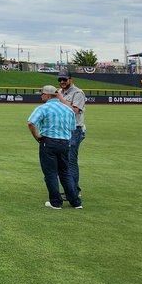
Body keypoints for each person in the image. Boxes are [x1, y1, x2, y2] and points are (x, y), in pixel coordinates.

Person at [27, 85, 82, 210]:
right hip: (65, 143)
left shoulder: (43, 108)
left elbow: (31, 123)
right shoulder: (68, 110)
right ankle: (76, 202)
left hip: (48, 142)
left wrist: (36, 136)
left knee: (51, 173)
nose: (41, 96)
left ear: (47, 95)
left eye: (42, 94)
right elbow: (73, 128)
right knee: (65, 173)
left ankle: (56, 202)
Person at [57, 69, 86, 197]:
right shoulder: (61, 92)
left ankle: (74, 192)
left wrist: (60, 98)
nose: (62, 82)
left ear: (70, 79)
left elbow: (74, 110)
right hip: (62, 130)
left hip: (74, 130)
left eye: (64, 79)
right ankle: (69, 190)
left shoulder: (78, 93)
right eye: (60, 79)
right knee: (63, 162)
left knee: (71, 161)